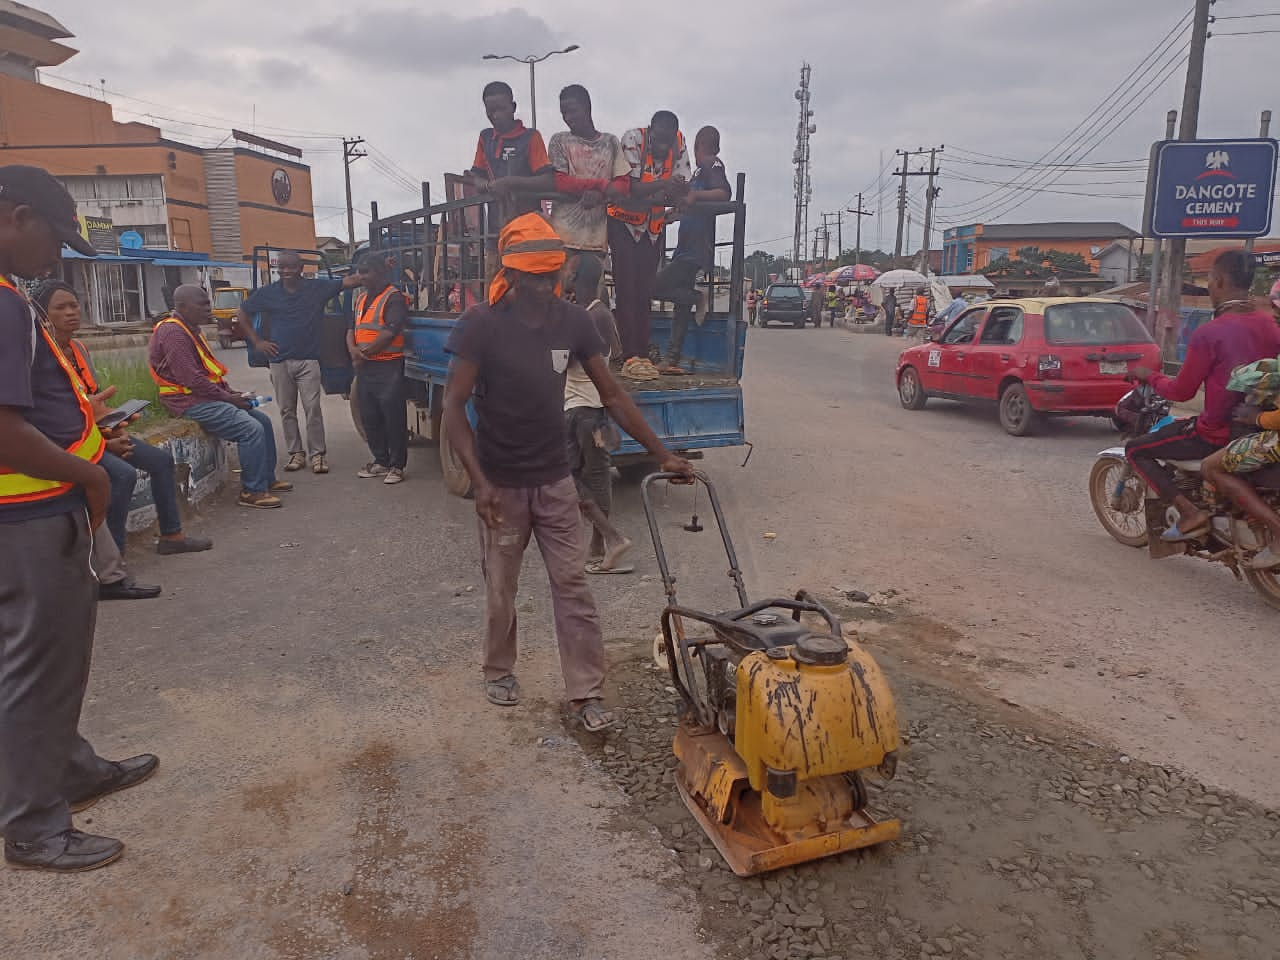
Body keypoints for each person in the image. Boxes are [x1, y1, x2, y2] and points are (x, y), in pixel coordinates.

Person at [443, 213, 694, 731]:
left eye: (548, 274)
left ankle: (586, 693)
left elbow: (613, 393)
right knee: (501, 588)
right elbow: (453, 408)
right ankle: (498, 668)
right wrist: (481, 484)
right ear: (508, 271)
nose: (541, 285)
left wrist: (662, 452)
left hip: (555, 479)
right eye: (531, 275)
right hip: (502, 483)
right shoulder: (481, 326)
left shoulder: (574, 323)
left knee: (573, 584)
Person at [0, 164, 157, 873]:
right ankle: (34, 827)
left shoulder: (10, 296)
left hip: (33, 508)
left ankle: (68, 770)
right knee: (38, 667)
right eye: (54, 238)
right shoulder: (3, 303)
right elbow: (5, 428)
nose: (57, 257)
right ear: (17, 217)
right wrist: (91, 473)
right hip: (30, 514)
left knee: (52, 662)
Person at [34, 280, 210, 599]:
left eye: (74, 305)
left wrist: (114, 420)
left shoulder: (79, 349)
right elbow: (56, 414)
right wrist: (102, 436)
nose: (71, 312)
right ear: (44, 316)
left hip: (93, 431)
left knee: (160, 460)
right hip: (68, 440)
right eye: (61, 307)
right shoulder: (40, 354)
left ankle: (172, 536)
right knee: (120, 475)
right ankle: (110, 570)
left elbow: (90, 400)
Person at [1126, 250, 1280, 540]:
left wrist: (1150, 376)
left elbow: (1181, 392)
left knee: (1135, 449)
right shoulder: (1270, 325)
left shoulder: (1209, 333)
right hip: (1256, 427)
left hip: (1218, 434)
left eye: (1209, 278)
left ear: (1219, 280)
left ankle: (1190, 513)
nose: (1208, 285)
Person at [149, 284, 293, 509]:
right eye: (203, 304)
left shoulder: (190, 329)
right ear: (182, 306)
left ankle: (265, 479)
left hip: (202, 397)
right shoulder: (174, 333)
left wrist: (232, 393)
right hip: (186, 402)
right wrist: (228, 399)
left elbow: (209, 373)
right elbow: (191, 380)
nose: (209, 309)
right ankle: (252, 491)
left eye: (209, 303)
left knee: (262, 422)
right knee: (249, 429)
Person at [238, 251, 362, 476]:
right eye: (282, 268)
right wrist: (257, 342)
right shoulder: (269, 293)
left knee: (312, 408)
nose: (286, 272)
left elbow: (348, 281)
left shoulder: (316, 288)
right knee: (286, 409)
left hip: (308, 360)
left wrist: (377, 268)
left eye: (291, 267)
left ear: (301, 268)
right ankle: (296, 453)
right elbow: (242, 313)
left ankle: (318, 455)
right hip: (279, 361)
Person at [608, 110, 692, 376]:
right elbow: (632, 187)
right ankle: (628, 355)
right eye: (658, 140)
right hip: (622, 222)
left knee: (645, 292)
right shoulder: (632, 139)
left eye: (667, 142)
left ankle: (642, 354)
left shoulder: (678, 142)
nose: (663, 146)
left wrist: (671, 192)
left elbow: (683, 186)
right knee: (626, 289)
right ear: (650, 131)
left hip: (652, 227)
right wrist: (665, 185)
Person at [564, 254, 632, 573]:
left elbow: (563, 362)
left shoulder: (583, 317)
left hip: (578, 409)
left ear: (577, 277)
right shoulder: (603, 313)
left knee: (567, 480)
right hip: (597, 410)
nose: (564, 274)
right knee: (598, 479)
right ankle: (598, 546)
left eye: (568, 270)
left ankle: (612, 537)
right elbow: (616, 356)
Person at [652, 125, 732, 373]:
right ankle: (672, 358)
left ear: (699, 146)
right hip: (687, 246)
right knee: (681, 307)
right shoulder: (697, 174)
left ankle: (698, 297)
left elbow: (724, 193)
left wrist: (695, 198)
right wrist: (673, 214)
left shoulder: (711, 163)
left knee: (655, 287)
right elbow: (691, 205)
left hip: (695, 249)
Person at [546, 85, 631, 292]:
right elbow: (560, 181)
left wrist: (599, 196)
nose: (567, 117)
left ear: (587, 107)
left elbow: (623, 185)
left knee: (591, 302)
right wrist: (602, 186)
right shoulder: (560, 140)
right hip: (562, 237)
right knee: (559, 299)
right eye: (563, 112)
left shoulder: (610, 142)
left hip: (595, 240)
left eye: (572, 110)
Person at [347, 251, 410, 484]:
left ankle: (397, 466)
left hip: (388, 366)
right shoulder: (360, 299)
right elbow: (350, 328)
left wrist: (362, 353)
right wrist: (354, 350)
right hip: (366, 367)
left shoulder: (393, 297)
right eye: (359, 272)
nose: (361, 277)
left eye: (366, 272)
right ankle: (380, 461)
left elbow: (389, 332)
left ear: (381, 272)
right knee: (370, 416)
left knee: (393, 417)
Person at [469, 80, 555, 231]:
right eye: (490, 111)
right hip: (496, 229)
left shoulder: (530, 137)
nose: (496, 115)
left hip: (528, 226)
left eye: (501, 109)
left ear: (513, 107)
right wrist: (489, 186)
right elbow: (475, 177)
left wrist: (510, 182)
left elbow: (547, 180)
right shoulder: (486, 137)